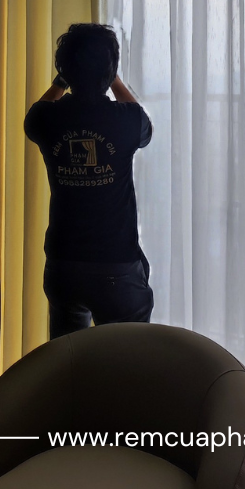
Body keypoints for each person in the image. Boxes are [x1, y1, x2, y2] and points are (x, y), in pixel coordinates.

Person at [24, 22, 153, 340]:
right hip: (116, 267)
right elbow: (142, 122)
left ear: (64, 70)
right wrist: (113, 79)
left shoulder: (46, 119)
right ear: (110, 71)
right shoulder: (127, 120)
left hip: (63, 265)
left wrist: (62, 81)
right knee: (129, 358)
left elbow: (36, 113)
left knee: (69, 359)